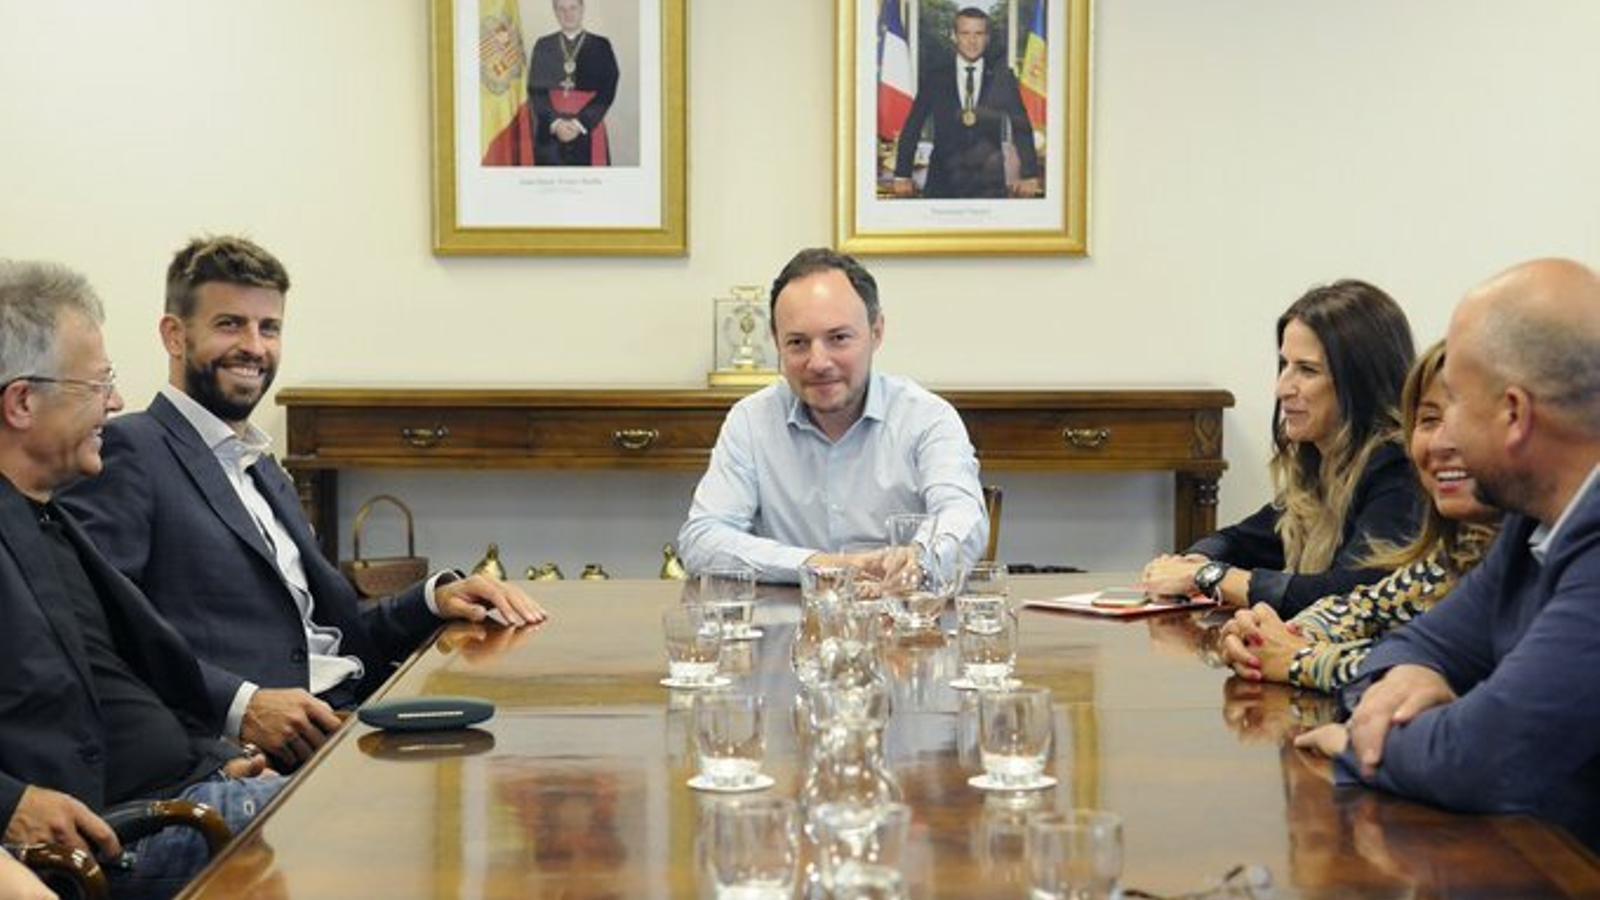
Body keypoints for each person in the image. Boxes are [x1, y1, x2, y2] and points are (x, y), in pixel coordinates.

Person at [59, 236, 545, 770]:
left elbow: (334, 633)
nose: (254, 346)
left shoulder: (262, 466)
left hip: (358, 715)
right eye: (230, 325)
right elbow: (96, 635)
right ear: (174, 335)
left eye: (269, 328)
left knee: (529, 739)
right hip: (263, 751)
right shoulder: (132, 450)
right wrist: (240, 706)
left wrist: (433, 599)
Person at [1295, 258, 1600, 849]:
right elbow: (1411, 646)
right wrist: (1407, 678)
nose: (1440, 435)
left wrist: (1359, 743)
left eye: (1454, 401)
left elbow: (1483, 759)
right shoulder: (1533, 522)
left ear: (1514, 414)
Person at [0, 261, 282, 898]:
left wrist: (210, 761)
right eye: (98, 384)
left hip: (190, 793)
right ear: (22, 402)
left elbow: (117, 679)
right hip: (102, 843)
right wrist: (8, 802)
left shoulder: (50, 519)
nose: (117, 403)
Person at [677, 247, 987, 584]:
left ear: (876, 332)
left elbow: (963, 515)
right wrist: (818, 564)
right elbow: (702, 540)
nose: (819, 362)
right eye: (798, 343)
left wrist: (919, 560)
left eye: (838, 338)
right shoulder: (751, 421)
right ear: (776, 343)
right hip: (788, 629)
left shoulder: (927, 418)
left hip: (901, 621)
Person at [1219, 341, 1501, 691]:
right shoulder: (1462, 547)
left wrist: (1298, 658)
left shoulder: (1541, 552)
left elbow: (1443, 678)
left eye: (1307, 370)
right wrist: (1269, 635)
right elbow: (1364, 606)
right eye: (1429, 420)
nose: (1441, 443)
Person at [1141, 280, 1421, 617]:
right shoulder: (1324, 463)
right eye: (1284, 365)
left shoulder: (1399, 469)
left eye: (1307, 370)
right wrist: (1194, 561)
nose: (1282, 388)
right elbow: (1245, 540)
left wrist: (1207, 577)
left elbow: (1350, 596)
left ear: (1361, 380)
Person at [891, 6, 1040, 199]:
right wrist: (902, 174)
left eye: (979, 33)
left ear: (987, 38)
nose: (972, 41)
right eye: (965, 33)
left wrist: (1029, 174)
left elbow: (1021, 127)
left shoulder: (1003, 78)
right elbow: (913, 125)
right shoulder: (935, 77)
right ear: (955, 36)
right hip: (941, 185)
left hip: (989, 187)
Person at [527, 0, 619, 166]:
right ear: (555, 11)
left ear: (582, 9)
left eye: (572, 8)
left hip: (588, 127)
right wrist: (555, 123)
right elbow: (535, 90)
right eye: (561, 9)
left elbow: (608, 90)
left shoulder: (601, 45)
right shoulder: (543, 45)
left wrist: (580, 124)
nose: (567, 14)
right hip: (551, 128)